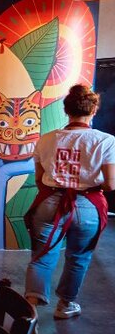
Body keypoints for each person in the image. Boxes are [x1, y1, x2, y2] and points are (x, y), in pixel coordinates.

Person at [24, 85, 115, 319]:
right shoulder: (105, 141)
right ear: (93, 110)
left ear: (66, 110)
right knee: (78, 257)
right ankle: (65, 305)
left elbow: (38, 178)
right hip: (87, 206)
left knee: (41, 256)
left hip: (50, 203)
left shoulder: (46, 140)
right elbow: (110, 185)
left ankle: (29, 313)